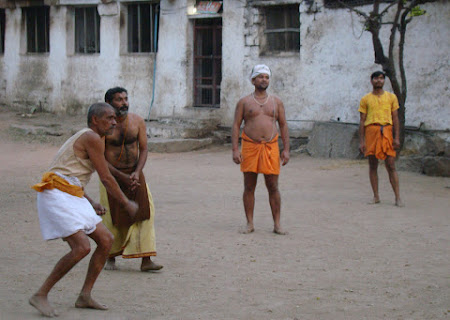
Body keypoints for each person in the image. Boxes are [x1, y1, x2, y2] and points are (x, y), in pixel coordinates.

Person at [30, 103, 138, 317]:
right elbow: (105, 177)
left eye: (115, 118)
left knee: (106, 240)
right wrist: (126, 203)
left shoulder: (96, 139)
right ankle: (40, 294)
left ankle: (85, 295)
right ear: (95, 120)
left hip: (71, 193)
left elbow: (73, 175)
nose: (114, 122)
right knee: (81, 247)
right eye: (109, 118)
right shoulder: (90, 137)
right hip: (56, 194)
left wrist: (89, 201)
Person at [100, 87, 162, 272]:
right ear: (109, 103)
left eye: (126, 98)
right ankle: (110, 257)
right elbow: (100, 157)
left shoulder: (137, 121)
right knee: (111, 217)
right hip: (111, 176)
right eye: (119, 99)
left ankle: (146, 259)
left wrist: (136, 172)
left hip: (135, 174)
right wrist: (121, 177)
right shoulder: (102, 125)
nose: (124, 103)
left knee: (145, 214)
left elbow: (143, 149)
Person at [231, 64, 290, 235]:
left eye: (266, 77)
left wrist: (286, 149)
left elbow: (284, 125)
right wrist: (235, 149)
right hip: (250, 146)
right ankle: (249, 223)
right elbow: (236, 125)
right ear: (253, 80)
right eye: (260, 77)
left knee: (273, 186)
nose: (264, 80)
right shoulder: (244, 102)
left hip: (271, 146)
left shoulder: (276, 102)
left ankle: (277, 224)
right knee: (249, 186)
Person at [358, 71, 404, 207]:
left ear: (384, 81)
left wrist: (396, 137)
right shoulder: (365, 99)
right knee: (373, 165)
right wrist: (362, 141)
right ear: (371, 81)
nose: (379, 81)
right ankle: (376, 196)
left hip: (387, 131)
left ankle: (397, 197)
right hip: (371, 131)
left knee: (391, 164)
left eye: (381, 78)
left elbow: (395, 118)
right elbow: (362, 120)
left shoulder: (391, 97)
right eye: (376, 79)